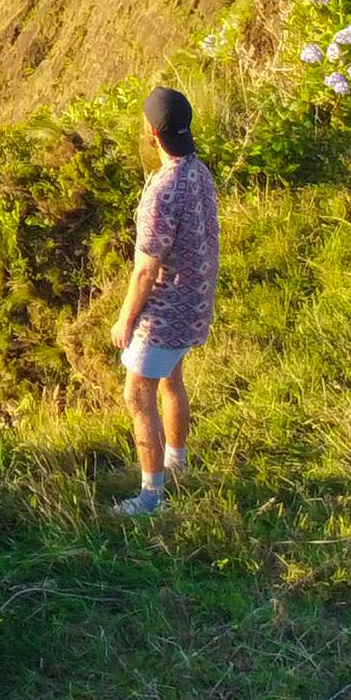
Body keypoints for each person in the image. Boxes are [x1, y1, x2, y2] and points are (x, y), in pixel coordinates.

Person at [107, 85, 218, 517]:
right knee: (172, 378)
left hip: (166, 309)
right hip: (195, 301)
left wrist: (124, 320)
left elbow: (144, 271)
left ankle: (151, 497)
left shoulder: (162, 191)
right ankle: (177, 462)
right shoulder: (198, 170)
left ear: (152, 132)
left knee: (137, 395)